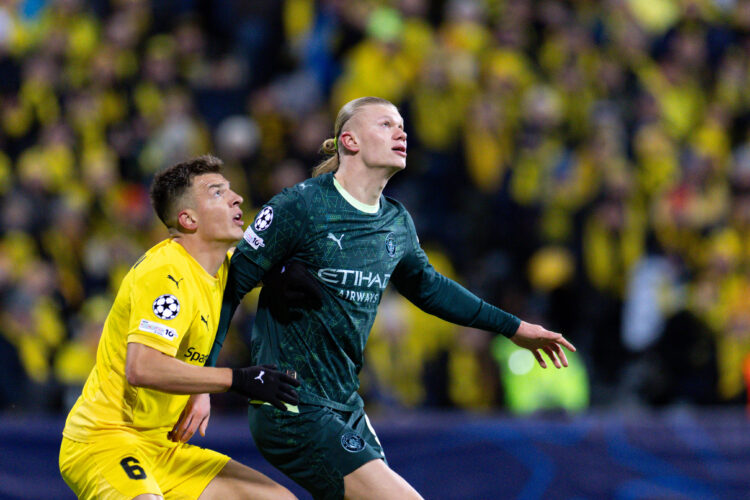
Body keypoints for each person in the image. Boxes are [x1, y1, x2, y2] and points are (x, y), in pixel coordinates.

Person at [206, 97, 577, 500]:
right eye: (385, 124)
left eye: (401, 124)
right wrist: (202, 385)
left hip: (346, 406)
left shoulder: (395, 221)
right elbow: (229, 286)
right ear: (349, 141)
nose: (401, 132)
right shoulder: (300, 205)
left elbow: (430, 288)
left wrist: (514, 327)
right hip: (292, 404)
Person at [58, 155, 301, 500]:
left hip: (165, 446)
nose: (237, 198)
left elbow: (271, 264)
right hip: (106, 438)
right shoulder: (166, 273)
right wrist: (239, 380)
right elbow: (142, 368)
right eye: (217, 193)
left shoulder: (222, 269)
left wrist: (291, 273)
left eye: (231, 190)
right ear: (188, 219)